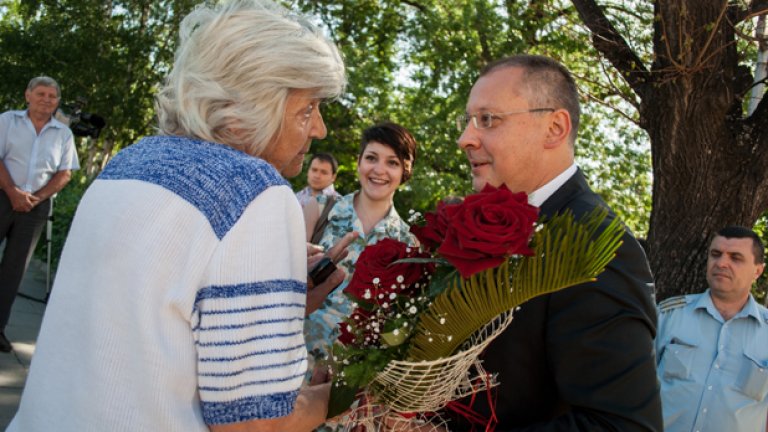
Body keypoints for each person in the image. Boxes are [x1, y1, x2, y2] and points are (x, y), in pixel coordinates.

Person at [8, 1, 349, 431]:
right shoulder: (256, 190)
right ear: (260, 105)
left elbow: (145, 331)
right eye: (308, 109)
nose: (319, 129)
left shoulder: (129, 162)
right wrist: (337, 397)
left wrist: (275, 309)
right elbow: (254, 425)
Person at [443, 54, 662, 431]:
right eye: (468, 121)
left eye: (488, 120)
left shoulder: (597, 246)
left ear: (554, 128)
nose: (465, 138)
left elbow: (622, 426)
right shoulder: (484, 223)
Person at [303, 122, 418, 363]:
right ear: (359, 162)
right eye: (372, 158)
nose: (379, 170)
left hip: (350, 380)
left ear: (406, 171)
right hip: (292, 363)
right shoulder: (319, 209)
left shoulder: (409, 244)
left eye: (392, 162)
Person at [656, 226, 767, 432]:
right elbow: (632, 384)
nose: (722, 263)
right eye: (715, 254)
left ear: (757, 271)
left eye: (735, 257)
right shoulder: (669, 315)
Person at [0, 76, 79, 353]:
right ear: (28, 96)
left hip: (35, 206)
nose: (47, 99)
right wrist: (12, 193)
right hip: (2, 196)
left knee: (14, 269)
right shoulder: (7, 121)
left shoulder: (63, 134)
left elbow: (65, 173)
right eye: (41, 94)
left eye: (52, 96)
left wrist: (35, 199)